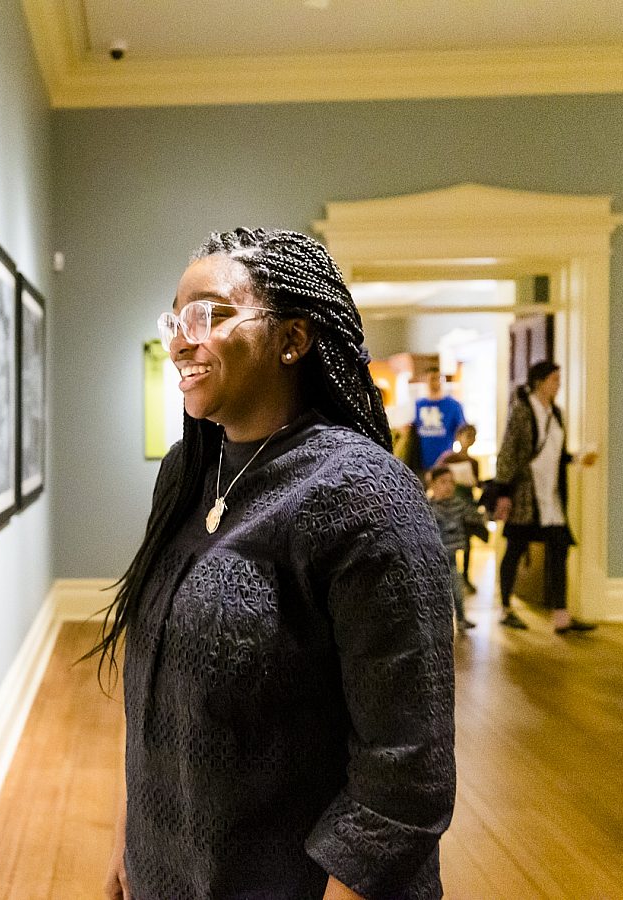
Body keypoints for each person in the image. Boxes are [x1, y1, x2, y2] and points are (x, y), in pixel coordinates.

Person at [95, 229, 456, 900]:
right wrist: (133, 836)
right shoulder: (188, 473)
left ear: (292, 339)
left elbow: (406, 775)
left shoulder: (364, 496)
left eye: (210, 313)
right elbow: (159, 693)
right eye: (175, 317)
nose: (180, 337)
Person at [492, 361, 598, 633]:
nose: (558, 385)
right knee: (515, 549)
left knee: (559, 549)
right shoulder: (522, 412)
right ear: (540, 381)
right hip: (525, 495)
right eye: (554, 380)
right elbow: (508, 453)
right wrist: (504, 492)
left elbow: (554, 452)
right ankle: (505, 607)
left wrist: (576, 458)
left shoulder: (557, 413)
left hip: (551, 497)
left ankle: (561, 614)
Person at [427, 464, 480, 632]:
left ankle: (462, 619)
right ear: (433, 484)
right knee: (434, 595)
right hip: (431, 561)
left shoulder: (458, 504)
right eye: (443, 482)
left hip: (450, 559)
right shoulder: (427, 507)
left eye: (451, 482)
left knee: (457, 591)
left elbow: (475, 516)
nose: (448, 486)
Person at [436, 423, 486, 590]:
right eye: (467, 435)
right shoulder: (448, 458)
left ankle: (465, 576)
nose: (469, 439)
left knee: (466, 541)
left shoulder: (473, 462)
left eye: (473, 436)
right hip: (449, 505)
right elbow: (435, 475)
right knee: (448, 539)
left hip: (467, 503)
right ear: (458, 437)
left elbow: (477, 483)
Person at [413, 367, 465, 470]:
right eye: (432, 379)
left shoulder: (453, 405)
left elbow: (462, 432)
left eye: (437, 378)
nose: (435, 382)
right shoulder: (418, 405)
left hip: (445, 464)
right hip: (421, 464)